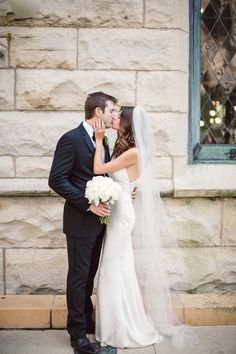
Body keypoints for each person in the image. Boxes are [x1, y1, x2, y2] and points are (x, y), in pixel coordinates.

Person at [93, 106, 200, 351]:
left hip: (121, 216)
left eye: (119, 115)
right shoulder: (123, 147)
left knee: (113, 268)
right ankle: (116, 325)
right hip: (118, 210)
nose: (115, 117)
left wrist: (99, 141)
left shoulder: (132, 152)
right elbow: (125, 180)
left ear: (128, 124)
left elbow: (99, 169)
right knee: (117, 268)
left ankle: (122, 329)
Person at [48, 92, 117, 354]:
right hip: (79, 221)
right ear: (98, 112)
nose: (114, 115)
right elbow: (56, 179)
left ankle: (86, 320)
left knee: (88, 276)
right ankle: (77, 336)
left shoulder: (104, 141)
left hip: (100, 222)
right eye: (111, 110)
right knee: (78, 277)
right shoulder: (71, 139)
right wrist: (88, 204)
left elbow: (103, 173)